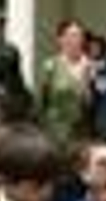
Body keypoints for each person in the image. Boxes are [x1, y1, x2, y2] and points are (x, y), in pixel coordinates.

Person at [38, 19, 93, 149]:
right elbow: (42, 100)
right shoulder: (50, 66)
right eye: (71, 35)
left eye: (80, 35)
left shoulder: (89, 65)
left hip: (81, 132)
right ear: (60, 39)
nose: (76, 40)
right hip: (54, 131)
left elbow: (90, 103)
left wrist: (85, 78)